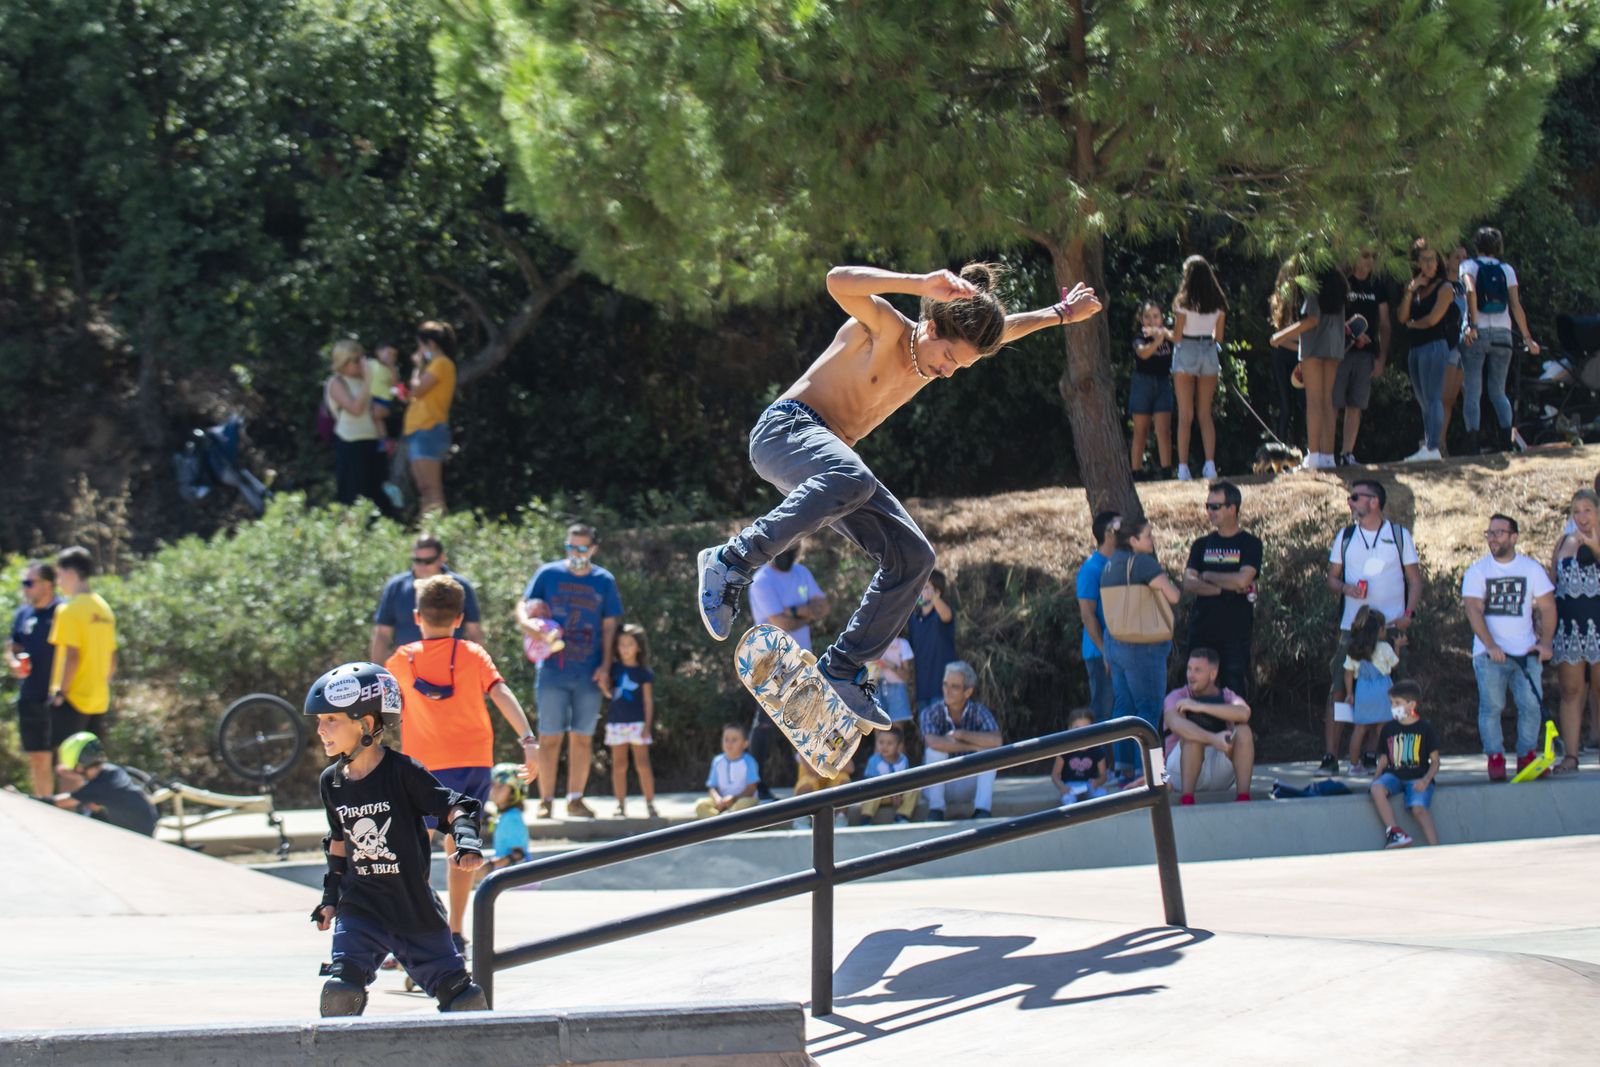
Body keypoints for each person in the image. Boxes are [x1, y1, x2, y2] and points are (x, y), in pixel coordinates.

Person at [695, 263, 1102, 726]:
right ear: (930, 326)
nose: (948, 373)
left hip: (832, 472)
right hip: (786, 431)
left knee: (914, 557)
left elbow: (1006, 331)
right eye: (949, 358)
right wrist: (918, 284)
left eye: (959, 367)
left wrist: (1061, 313)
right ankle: (731, 560)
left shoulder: (937, 355)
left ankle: (843, 669)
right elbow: (835, 281)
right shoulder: (883, 327)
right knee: (855, 478)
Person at [303, 661, 489, 1016]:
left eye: (332, 720)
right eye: (319, 721)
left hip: (412, 908)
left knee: (463, 1001)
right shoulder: (332, 781)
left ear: (368, 724)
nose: (321, 730)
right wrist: (330, 897)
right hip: (361, 909)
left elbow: (453, 807)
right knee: (340, 993)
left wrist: (467, 842)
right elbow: (339, 840)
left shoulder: (403, 772)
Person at [384, 574, 537, 954]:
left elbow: (381, 704)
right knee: (460, 848)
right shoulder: (472, 654)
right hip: (471, 763)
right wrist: (528, 740)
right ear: (459, 617)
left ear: (417, 616)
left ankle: (414, 931)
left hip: (423, 767)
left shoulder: (402, 660)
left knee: (411, 850)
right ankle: (454, 932)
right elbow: (500, 692)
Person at [517, 523, 624, 818]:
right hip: (552, 670)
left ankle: (575, 798)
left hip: (589, 672)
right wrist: (528, 627)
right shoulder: (548, 574)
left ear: (593, 549)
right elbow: (523, 606)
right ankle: (546, 800)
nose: (575, 553)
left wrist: (605, 666)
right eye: (570, 547)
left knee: (582, 736)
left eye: (581, 548)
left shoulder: (604, 580)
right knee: (549, 736)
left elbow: (609, 625)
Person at [1319, 480, 1421, 775]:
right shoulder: (1346, 536)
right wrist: (1347, 589)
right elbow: (1331, 579)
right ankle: (1331, 756)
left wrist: (1409, 614)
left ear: (1373, 502)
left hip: (1389, 628)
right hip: (1353, 628)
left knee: (1392, 693)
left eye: (1354, 498)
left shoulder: (1399, 535)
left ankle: (1375, 755)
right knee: (1339, 690)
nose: (1350, 503)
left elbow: (1414, 579)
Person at [1463, 514, 1556, 781]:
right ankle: (1495, 757)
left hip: (1525, 653)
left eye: (1499, 533)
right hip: (1489, 656)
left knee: (1531, 705)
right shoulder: (1478, 571)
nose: (1493, 538)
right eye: (1489, 533)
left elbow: (1548, 606)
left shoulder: (1531, 569)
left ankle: (1527, 755)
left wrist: (1546, 642)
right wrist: (1490, 645)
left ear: (1514, 537)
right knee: (1492, 707)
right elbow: (1473, 609)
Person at [744, 539, 829, 796]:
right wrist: (805, 612)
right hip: (771, 664)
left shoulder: (802, 572)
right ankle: (758, 786)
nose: (787, 555)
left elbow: (824, 607)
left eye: (792, 550)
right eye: (783, 550)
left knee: (807, 722)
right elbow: (781, 624)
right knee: (766, 725)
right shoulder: (762, 582)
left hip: (802, 660)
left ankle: (809, 783)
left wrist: (794, 612)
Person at [1099, 517, 1181, 777]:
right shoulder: (1142, 563)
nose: (1152, 540)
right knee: (1149, 710)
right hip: (1143, 646)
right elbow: (1174, 596)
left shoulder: (1110, 565)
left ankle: (1124, 773)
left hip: (1115, 643)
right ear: (1133, 541)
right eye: (1148, 536)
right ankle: (1152, 774)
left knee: (1124, 708)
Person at [1461, 227, 1541, 454]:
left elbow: (1469, 290)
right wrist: (1527, 338)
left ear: (1476, 246)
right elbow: (1515, 305)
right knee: (1498, 391)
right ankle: (1507, 441)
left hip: (1477, 334)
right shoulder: (1507, 269)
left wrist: (1472, 324)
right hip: (1504, 333)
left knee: (1473, 390)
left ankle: (1473, 446)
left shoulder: (1468, 266)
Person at [1182, 481, 1262, 699]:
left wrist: (1207, 575)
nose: (1209, 511)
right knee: (1197, 686)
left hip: (1235, 631)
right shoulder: (1201, 545)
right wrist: (1223, 590)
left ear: (1232, 508)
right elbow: (1189, 582)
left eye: (1215, 506)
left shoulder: (1250, 544)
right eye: (1207, 506)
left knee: (1233, 687)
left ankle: (1235, 733)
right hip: (1202, 629)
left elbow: (1242, 579)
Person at [1271, 265, 1346, 471]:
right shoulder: (1339, 282)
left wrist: (1281, 335)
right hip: (1334, 346)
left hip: (1314, 346)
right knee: (1327, 401)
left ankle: (1313, 456)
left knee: (1314, 401)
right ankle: (1328, 457)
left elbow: (1312, 320)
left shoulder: (1313, 284)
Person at [370, 535, 485, 663]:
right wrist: (376, 670)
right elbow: (382, 634)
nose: (422, 566)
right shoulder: (397, 586)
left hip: (451, 667)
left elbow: (474, 633)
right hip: (408, 667)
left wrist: (477, 667)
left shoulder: (459, 586)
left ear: (441, 558)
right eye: (417, 560)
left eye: (428, 561)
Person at [1162, 649, 1255, 804]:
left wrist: (1200, 706)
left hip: (1218, 772)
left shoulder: (1226, 696)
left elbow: (1244, 713)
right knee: (1192, 736)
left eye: (1197, 670)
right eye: (1189, 669)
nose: (1190, 675)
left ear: (1213, 674)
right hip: (1179, 772)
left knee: (1244, 731)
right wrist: (1213, 739)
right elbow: (1176, 724)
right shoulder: (1176, 696)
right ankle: (1187, 799)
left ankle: (1243, 798)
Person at [1550, 489, 1600, 774]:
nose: (1581, 517)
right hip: (1569, 627)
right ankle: (1570, 755)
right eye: (1576, 511)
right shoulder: (1564, 542)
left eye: (1587, 510)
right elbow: (1552, 583)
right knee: (1570, 690)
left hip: (1598, 623)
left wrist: (1593, 546)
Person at [47, 546, 117, 742]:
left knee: (66, 766)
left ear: (70, 573)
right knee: (90, 766)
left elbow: (72, 656)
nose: (58, 582)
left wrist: (61, 692)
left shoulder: (68, 610)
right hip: (99, 699)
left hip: (73, 699)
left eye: (59, 576)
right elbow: (112, 658)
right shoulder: (104, 608)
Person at [919, 660, 1003, 819]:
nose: (947, 691)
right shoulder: (930, 712)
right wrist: (974, 746)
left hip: (968, 784)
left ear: (968, 692)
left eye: (955, 687)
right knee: (934, 752)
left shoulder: (978, 711)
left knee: (990, 750)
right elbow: (933, 742)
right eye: (945, 684)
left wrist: (962, 734)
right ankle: (936, 811)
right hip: (939, 785)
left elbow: (996, 741)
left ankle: (982, 811)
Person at [1397, 238, 1455, 463]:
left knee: (1433, 398)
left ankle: (1433, 447)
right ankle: (1428, 445)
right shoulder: (1414, 286)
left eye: (1432, 259)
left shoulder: (1445, 287)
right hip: (1415, 349)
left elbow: (1432, 320)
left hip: (1434, 347)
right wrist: (1410, 291)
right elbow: (1402, 316)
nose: (1430, 264)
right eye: (1424, 260)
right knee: (1423, 401)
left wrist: (1413, 324)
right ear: (1417, 262)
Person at [1170, 255, 1228, 481]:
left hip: (1187, 349)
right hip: (1209, 350)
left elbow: (1176, 337)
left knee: (1186, 414)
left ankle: (1183, 468)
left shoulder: (1183, 303)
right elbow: (1220, 337)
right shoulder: (1218, 304)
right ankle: (1210, 465)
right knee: (1205, 413)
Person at [323, 339, 395, 516]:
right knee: (352, 496)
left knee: (378, 494)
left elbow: (386, 402)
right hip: (350, 443)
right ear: (343, 362)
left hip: (373, 442)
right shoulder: (336, 383)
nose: (360, 365)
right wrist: (368, 381)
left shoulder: (369, 379)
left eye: (361, 359)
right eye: (355, 360)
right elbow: (355, 409)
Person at [1335, 250, 1393, 466]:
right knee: (1333, 403)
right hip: (1339, 352)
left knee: (1355, 405)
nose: (1368, 261)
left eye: (1372, 257)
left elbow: (1385, 323)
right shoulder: (1343, 281)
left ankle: (1346, 454)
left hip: (1366, 355)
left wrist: (1382, 358)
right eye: (1364, 255)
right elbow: (1331, 315)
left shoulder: (1377, 285)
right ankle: (1323, 455)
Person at [8, 561, 60, 795]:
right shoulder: (23, 613)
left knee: (66, 763)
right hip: (29, 694)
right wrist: (14, 663)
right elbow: (12, 647)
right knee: (38, 757)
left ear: (47, 584)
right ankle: (45, 805)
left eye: (29, 583)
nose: (25, 588)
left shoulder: (63, 611)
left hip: (59, 697)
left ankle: (79, 817)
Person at [1369, 680, 1440, 849]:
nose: (1393, 707)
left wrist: (1426, 780)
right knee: (1377, 789)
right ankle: (1395, 832)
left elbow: (1435, 761)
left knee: (1418, 809)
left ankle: (1436, 847)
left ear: (1411, 705)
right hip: (1394, 775)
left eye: (1397, 703)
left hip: (1418, 777)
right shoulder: (1389, 729)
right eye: (1392, 703)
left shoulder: (1425, 728)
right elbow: (1385, 758)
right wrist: (1376, 779)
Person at [46, 731, 158, 837]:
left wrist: (37, 800)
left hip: (134, 836)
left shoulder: (100, 786)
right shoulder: (111, 771)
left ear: (80, 766)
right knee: (93, 808)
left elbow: (61, 802)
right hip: (145, 824)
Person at [603, 622, 658, 819]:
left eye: (629, 644)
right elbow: (608, 691)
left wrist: (647, 726)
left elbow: (647, 700)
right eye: (621, 644)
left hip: (637, 724)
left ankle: (650, 803)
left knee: (643, 764)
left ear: (638, 647)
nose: (625, 648)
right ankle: (620, 805)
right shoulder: (613, 669)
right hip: (616, 723)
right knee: (619, 765)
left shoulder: (644, 673)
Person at [404, 320, 458, 516]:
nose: (419, 350)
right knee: (423, 488)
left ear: (431, 344)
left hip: (429, 429)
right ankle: (426, 534)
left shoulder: (441, 364)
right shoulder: (435, 365)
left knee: (432, 489)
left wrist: (417, 367)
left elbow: (416, 390)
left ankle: (439, 535)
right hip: (418, 431)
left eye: (420, 344)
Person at [1340, 606, 1399, 776]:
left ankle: (1353, 765)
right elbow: (1395, 664)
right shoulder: (1385, 648)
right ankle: (1390, 762)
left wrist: (1350, 693)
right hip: (1383, 691)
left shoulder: (1354, 650)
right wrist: (1398, 647)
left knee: (1359, 729)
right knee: (1384, 729)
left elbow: (1348, 673)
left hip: (1363, 692)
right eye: (1384, 628)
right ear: (1378, 631)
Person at [1076, 512, 1121, 722]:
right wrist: (1106, 651)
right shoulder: (1091, 569)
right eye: (1121, 527)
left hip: (1123, 652)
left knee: (1122, 715)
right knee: (1105, 715)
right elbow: (1087, 615)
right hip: (1099, 654)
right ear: (1109, 534)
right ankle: (1103, 757)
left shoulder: (1122, 564)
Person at [1128, 300, 1175, 478]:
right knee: (1141, 431)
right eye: (1147, 317)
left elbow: (1179, 338)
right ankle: (1136, 473)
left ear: (1162, 318)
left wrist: (1164, 334)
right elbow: (1143, 353)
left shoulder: (1166, 334)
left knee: (1163, 430)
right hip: (1142, 384)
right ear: (1141, 320)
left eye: (1155, 316)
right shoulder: (1139, 337)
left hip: (1163, 382)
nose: (1151, 320)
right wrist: (1157, 341)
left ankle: (1167, 472)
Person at [1436, 245, 1470, 455]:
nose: (1460, 261)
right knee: (1441, 397)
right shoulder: (1441, 285)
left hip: (1464, 347)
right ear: (1447, 260)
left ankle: (1443, 443)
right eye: (1456, 257)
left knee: (1451, 398)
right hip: (1445, 345)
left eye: (1464, 258)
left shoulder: (1467, 286)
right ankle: (1436, 442)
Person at [908, 570, 957, 714]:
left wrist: (934, 598)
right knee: (927, 734)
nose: (921, 591)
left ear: (938, 592)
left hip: (944, 689)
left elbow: (947, 615)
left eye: (925, 586)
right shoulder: (913, 619)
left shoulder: (940, 614)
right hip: (922, 689)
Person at [1266, 261, 1304, 444]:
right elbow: (1277, 339)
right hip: (1283, 357)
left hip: (1301, 358)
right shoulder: (1277, 301)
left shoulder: (1303, 301)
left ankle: (1299, 448)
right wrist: (1300, 348)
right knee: (1286, 407)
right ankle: (1281, 447)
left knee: (1300, 406)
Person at [696, 723, 761, 818]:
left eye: (734, 740)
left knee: (743, 804)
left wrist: (733, 799)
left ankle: (721, 820)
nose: (729, 743)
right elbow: (712, 787)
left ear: (745, 744)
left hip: (741, 800)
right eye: (726, 739)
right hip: (721, 802)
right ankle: (723, 820)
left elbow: (751, 789)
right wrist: (718, 799)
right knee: (701, 805)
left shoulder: (749, 761)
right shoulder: (717, 761)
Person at [855, 726, 918, 824]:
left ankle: (901, 816)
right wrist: (891, 792)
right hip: (880, 795)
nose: (884, 746)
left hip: (898, 796)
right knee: (871, 790)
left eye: (889, 743)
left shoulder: (903, 760)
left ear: (899, 746)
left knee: (915, 788)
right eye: (881, 742)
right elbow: (870, 782)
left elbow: (904, 780)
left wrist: (898, 791)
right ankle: (866, 818)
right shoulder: (874, 761)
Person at [1051, 711, 1109, 806]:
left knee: (1103, 795)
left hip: (1089, 785)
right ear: (1070, 729)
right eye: (1077, 728)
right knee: (1068, 800)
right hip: (1070, 786)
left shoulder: (1097, 750)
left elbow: (1103, 776)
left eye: (1086, 728)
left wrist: (1097, 782)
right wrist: (1062, 787)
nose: (1081, 732)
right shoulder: (1065, 749)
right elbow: (1055, 775)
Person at [487, 763, 530, 870]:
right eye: (493, 785)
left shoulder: (512, 818)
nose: (494, 791)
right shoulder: (505, 815)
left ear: (514, 792)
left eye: (501, 786)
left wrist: (488, 867)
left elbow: (519, 854)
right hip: (510, 878)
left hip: (515, 880)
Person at [871, 635, 916, 726]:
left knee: (896, 732)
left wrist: (889, 665)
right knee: (879, 730)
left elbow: (906, 676)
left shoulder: (902, 644)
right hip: (876, 689)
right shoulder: (871, 642)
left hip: (897, 691)